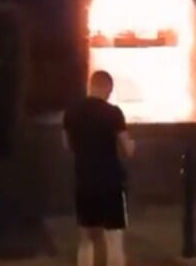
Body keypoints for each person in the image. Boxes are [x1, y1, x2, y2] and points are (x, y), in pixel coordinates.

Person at [63, 70, 135, 266]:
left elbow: (66, 144)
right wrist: (132, 145)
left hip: (84, 182)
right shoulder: (113, 113)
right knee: (114, 239)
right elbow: (127, 149)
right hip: (111, 184)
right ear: (107, 88)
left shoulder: (71, 112)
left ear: (91, 85)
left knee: (86, 240)